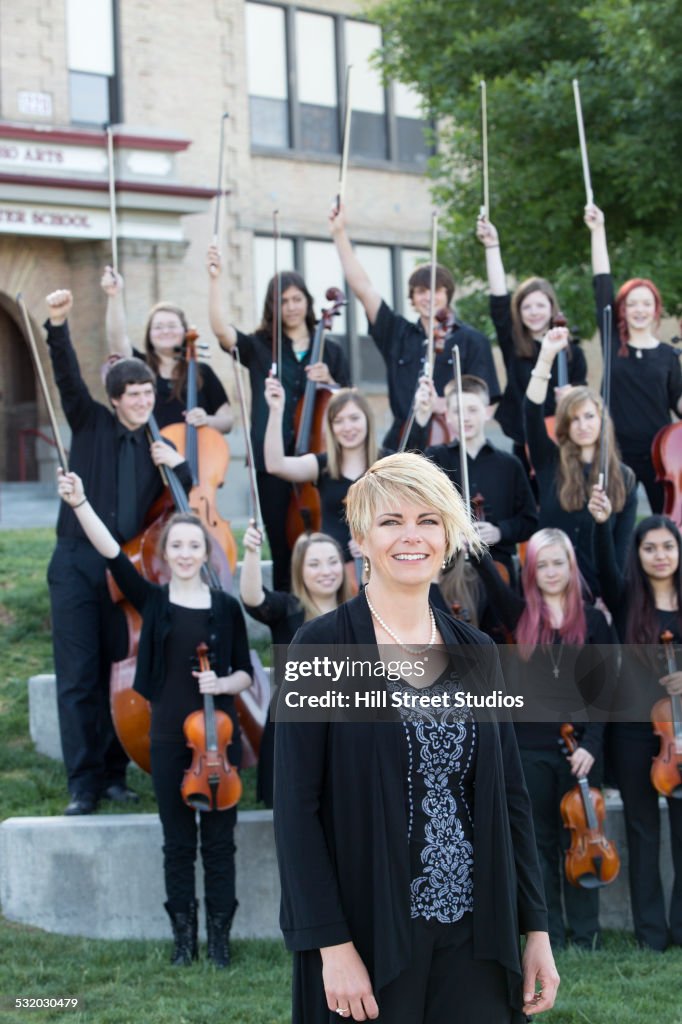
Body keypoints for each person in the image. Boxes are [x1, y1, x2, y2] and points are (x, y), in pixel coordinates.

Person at [274, 452, 559, 1023]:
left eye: (428, 520)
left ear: (449, 534)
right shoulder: (320, 647)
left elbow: (510, 799)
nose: (412, 537)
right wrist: (331, 945)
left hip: (478, 932)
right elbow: (296, 811)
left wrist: (536, 929)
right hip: (369, 929)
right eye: (391, 521)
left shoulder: (476, 651)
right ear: (360, 537)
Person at [57, 470, 252, 966]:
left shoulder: (226, 609)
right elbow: (112, 555)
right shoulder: (154, 603)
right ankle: (184, 941)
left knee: (221, 845)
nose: (186, 553)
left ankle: (221, 942)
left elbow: (247, 675)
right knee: (177, 843)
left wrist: (222, 684)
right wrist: (80, 503)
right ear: (165, 555)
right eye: (177, 546)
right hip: (168, 739)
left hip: (218, 740)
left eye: (194, 546)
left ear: (207, 553)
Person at [44, 289, 191, 816]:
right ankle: (82, 783)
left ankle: (111, 775)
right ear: (115, 399)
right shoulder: (90, 422)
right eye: (131, 394)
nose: (140, 402)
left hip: (124, 566)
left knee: (112, 671)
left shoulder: (156, 448)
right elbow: (65, 378)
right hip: (76, 562)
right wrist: (58, 324)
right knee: (78, 677)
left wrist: (176, 462)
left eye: (146, 393)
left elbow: (184, 503)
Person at [473, 529, 616, 949]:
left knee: (581, 838)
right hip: (529, 749)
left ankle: (586, 933)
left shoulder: (595, 621)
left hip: (580, 754)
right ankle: (547, 933)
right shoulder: (518, 614)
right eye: (543, 564)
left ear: (571, 567)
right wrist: (474, 545)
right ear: (531, 569)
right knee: (539, 843)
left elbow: (606, 693)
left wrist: (591, 744)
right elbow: (489, 577)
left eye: (559, 563)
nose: (551, 572)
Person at [207, 246, 351, 591]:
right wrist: (215, 280)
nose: (290, 307)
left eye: (296, 298)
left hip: (318, 461)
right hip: (270, 464)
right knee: (283, 546)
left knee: (326, 542)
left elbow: (349, 402)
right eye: (282, 301)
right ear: (273, 306)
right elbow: (221, 331)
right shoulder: (260, 346)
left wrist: (330, 380)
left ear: (307, 301)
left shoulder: (331, 350)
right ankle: (288, 628)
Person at [589, 493, 682, 950]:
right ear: (639, 554)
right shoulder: (626, 599)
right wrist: (605, 524)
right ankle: (651, 934)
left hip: (681, 736)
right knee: (644, 833)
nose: (660, 556)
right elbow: (604, 566)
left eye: (668, 547)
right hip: (631, 733)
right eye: (650, 548)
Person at [329, 203, 500, 450]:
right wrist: (339, 234)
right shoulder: (397, 333)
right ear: (412, 297)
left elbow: (489, 404)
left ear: (448, 294)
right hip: (402, 438)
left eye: (436, 290)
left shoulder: (473, 341)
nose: (428, 297)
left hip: (453, 440)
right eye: (421, 291)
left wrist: (441, 405)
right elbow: (363, 288)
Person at [240, 524, 353, 806]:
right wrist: (252, 552)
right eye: (314, 564)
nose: (326, 571)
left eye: (332, 562)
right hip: (296, 733)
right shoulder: (289, 609)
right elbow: (253, 598)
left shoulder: (357, 613)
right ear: (300, 571)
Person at [524, 325, 637, 598]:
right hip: (546, 595)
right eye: (574, 419)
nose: (583, 425)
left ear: (602, 420)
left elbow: (618, 561)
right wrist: (547, 356)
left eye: (589, 416)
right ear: (564, 425)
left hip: (595, 598)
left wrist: (606, 604)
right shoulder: (549, 460)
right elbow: (531, 411)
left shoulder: (624, 477)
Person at [584, 205, 682, 513]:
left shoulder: (669, 355)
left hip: (660, 455)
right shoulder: (613, 344)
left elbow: (678, 404)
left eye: (647, 304)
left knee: (666, 521)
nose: (639, 309)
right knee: (615, 527)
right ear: (623, 309)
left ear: (655, 310)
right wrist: (598, 230)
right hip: (615, 452)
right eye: (632, 303)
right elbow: (602, 284)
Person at [476, 216, 587, 475]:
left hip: (564, 442)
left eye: (540, 305)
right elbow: (499, 299)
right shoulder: (513, 344)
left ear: (552, 308)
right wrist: (492, 246)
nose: (534, 312)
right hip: (524, 439)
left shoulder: (573, 353)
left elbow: (584, 398)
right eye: (527, 306)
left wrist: (571, 395)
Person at [412, 373, 537, 583]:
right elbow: (405, 470)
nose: (465, 418)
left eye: (473, 410)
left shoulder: (509, 465)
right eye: (458, 411)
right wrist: (420, 419)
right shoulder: (434, 459)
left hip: (499, 571)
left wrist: (500, 531)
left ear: (487, 412)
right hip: (449, 570)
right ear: (447, 415)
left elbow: (530, 520)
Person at [101, 266, 233, 432]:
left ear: (185, 331)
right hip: (147, 453)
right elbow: (116, 338)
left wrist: (207, 420)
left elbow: (227, 421)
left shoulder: (202, 372)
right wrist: (114, 296)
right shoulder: (137, 366)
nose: (165, 331)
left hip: (195, 456)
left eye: (172, 326)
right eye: (158, 327)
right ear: (149, 334)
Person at [264, 380, 378, 568]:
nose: (347, 427)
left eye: (354, 418)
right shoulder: (322, 465)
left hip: (379, 569)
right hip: (333, 572)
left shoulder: (388, 464)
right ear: (330, 428)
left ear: (367, 420)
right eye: (338, 421)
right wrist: (276, 411)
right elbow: (275, 464)